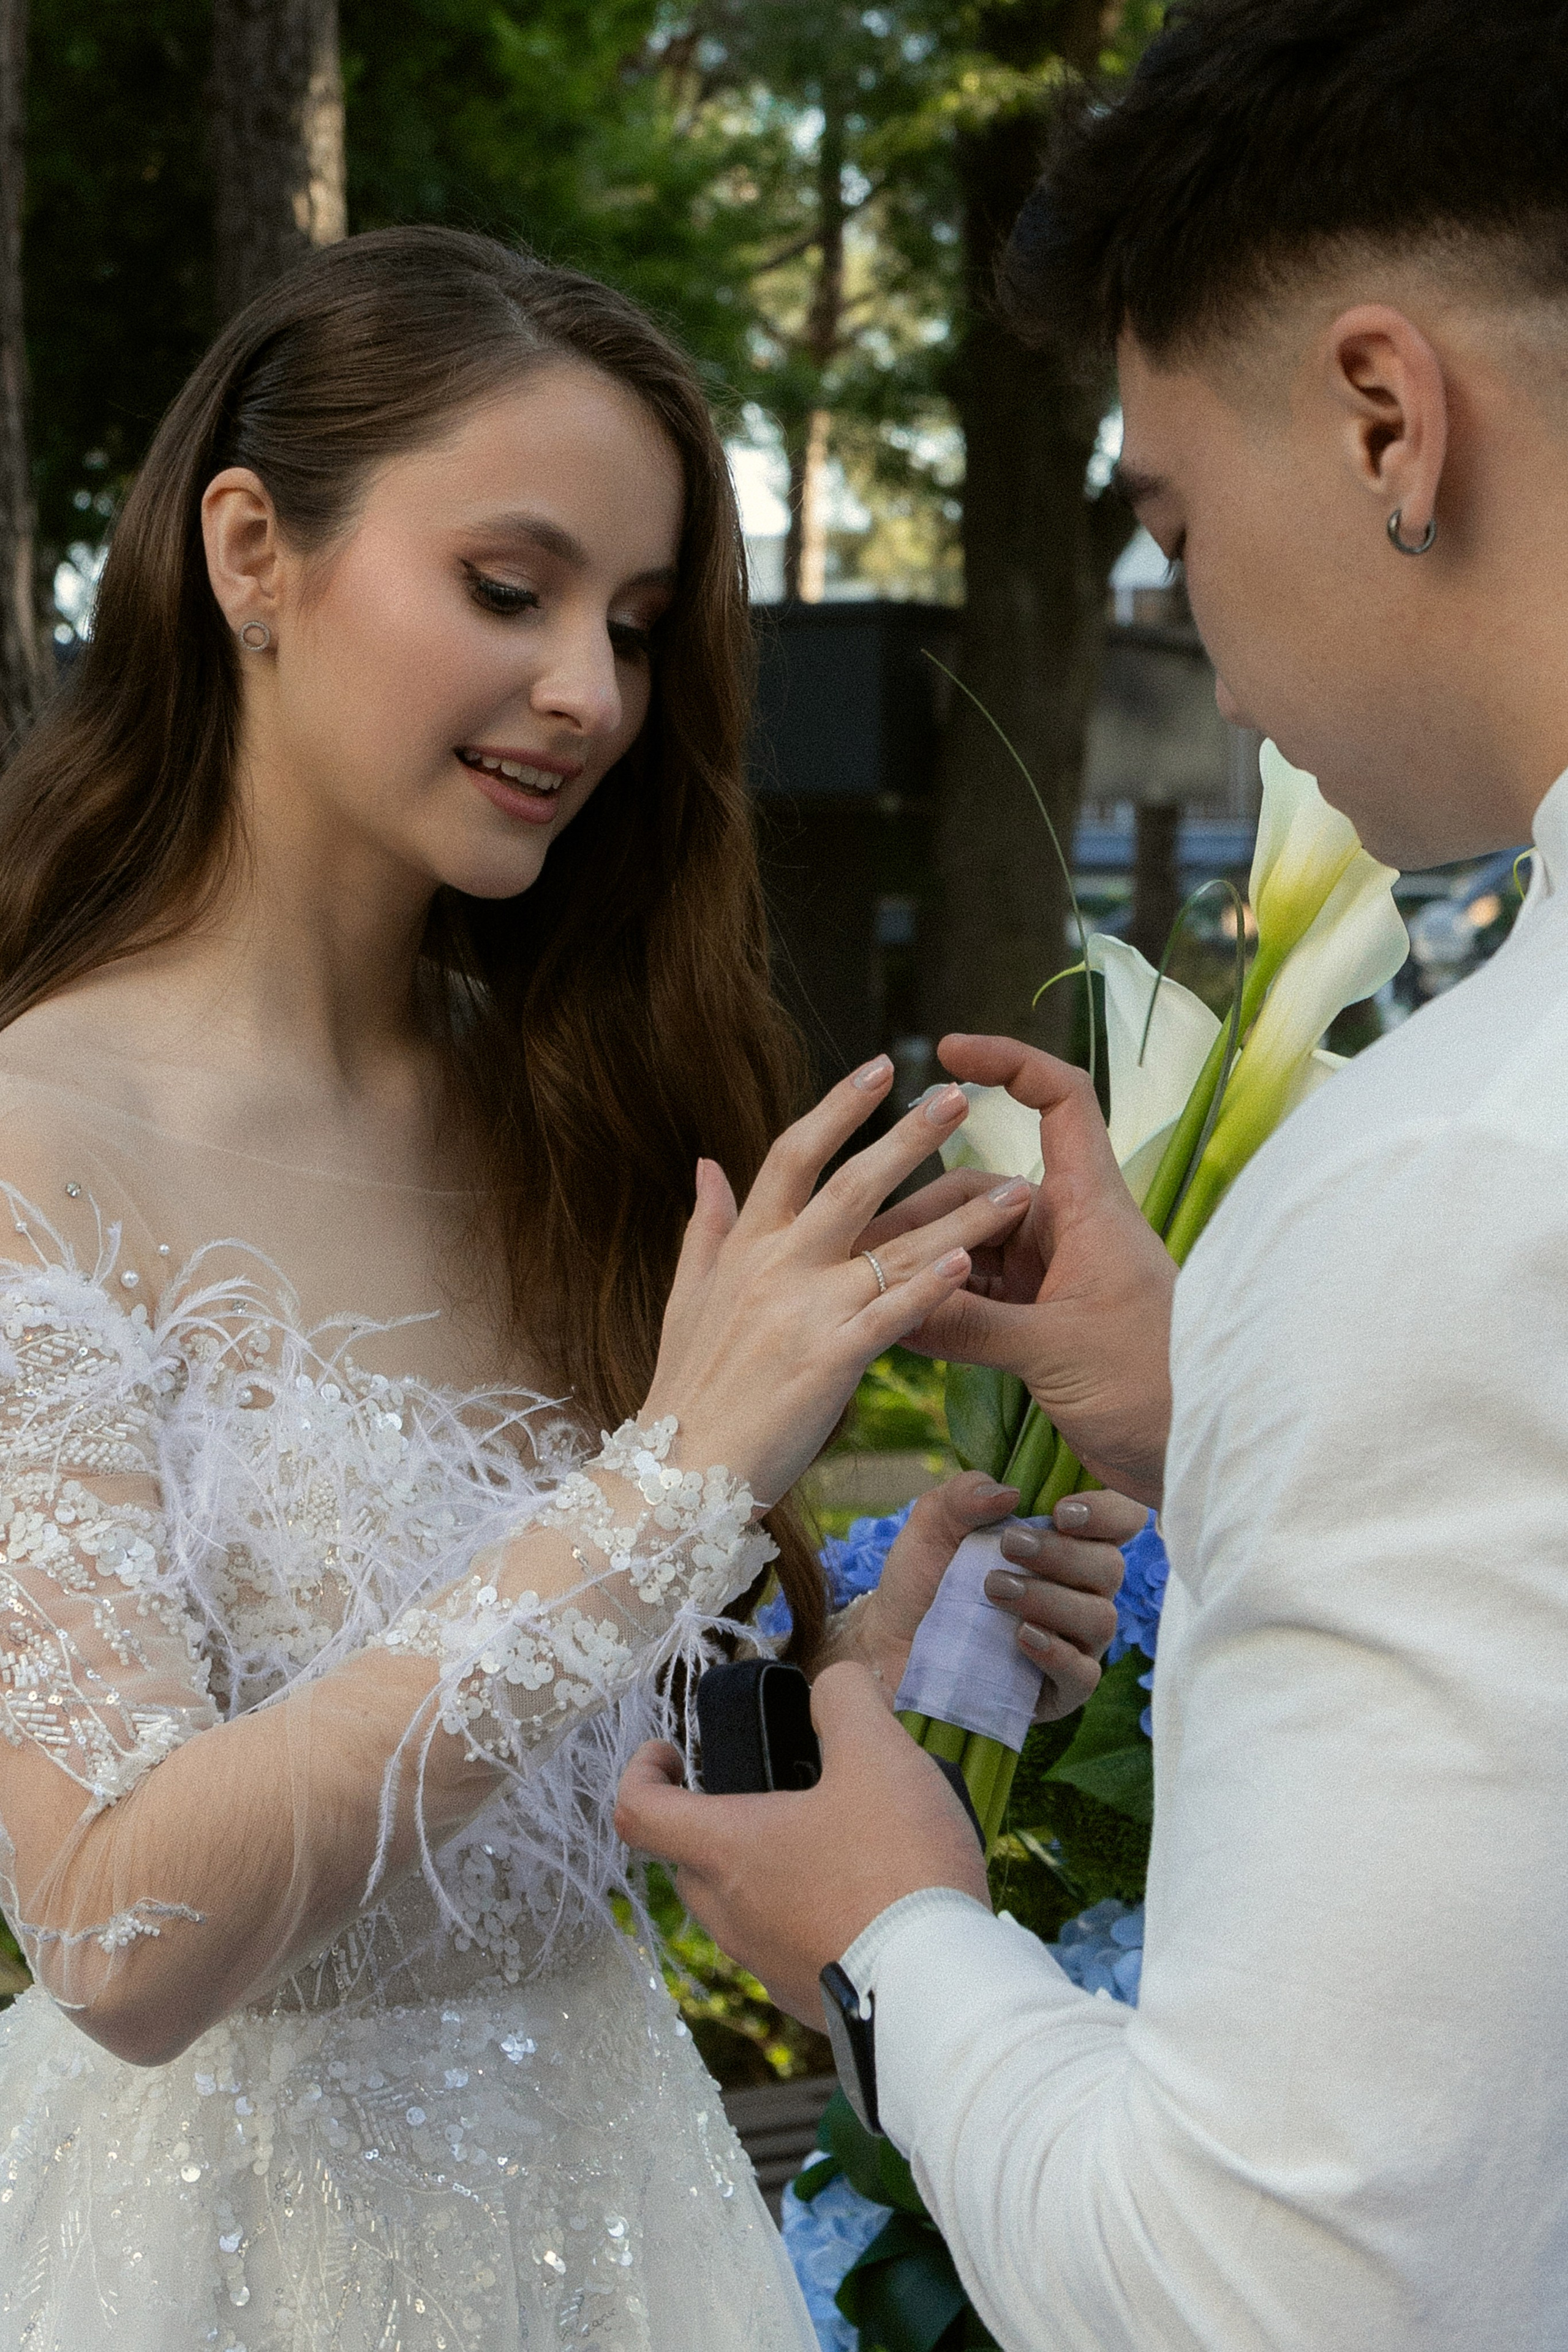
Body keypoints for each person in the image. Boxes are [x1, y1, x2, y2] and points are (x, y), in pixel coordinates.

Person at [0, 226, 1125, 2352]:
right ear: (252, 549)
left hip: (620, 2234)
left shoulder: (576, 1105)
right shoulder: (33, 1144)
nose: (591, 694)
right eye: (508, 593)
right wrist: (677, 1484)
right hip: (207, 2270)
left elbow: (585, 1755)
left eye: (632, 624)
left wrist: (891, 1662)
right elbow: (118, 1926)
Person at [614, 3, 1568, 2346]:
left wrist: (890, 1929)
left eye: (1169, 520)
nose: (1215, 667)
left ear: (1387, 417)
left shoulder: (1450, 1171)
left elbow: (1274, 2295)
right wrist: (1204, 1404)